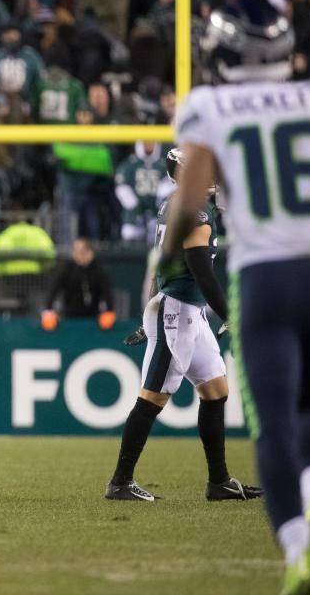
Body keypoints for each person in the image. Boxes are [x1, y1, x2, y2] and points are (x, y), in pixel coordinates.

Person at [162, 0, 310, 595]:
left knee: (271, 422)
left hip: (263, 276)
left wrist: (160, 264)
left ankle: (298, 551)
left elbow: (186, 203)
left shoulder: (208, 105)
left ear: (227, 48)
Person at [108, 148, 261, 503]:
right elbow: (200, 269)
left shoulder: (181, 203)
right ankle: (119, 482)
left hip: (190, 311)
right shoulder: (191, 208)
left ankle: (219, 481)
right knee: (153, 397)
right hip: (178, 311)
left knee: (216, 389)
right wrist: (230, 314)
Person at [47, 238, 115, 327]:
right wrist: (48, 310)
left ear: (90, 253)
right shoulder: (67, 269)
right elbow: (54, 289)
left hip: (93, 318)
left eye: (82, 252)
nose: (78, 255)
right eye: (75, 251)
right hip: (70, 317)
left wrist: (109, 311)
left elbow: (107, 292)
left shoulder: (99, 270)